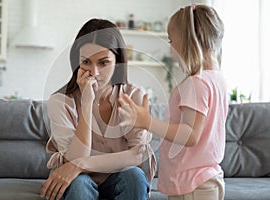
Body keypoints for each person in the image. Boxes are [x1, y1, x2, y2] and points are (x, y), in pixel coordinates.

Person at [118, 5, 227, 200]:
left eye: (171, 40)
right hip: (203, 181)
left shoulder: (197, 83)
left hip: (192, 184)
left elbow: (190, 134)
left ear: (188, 41)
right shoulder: (216, 79)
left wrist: (147, 122)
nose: (170, 47)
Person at [40, 18, 156, 200]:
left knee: (134, 176)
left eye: (103, 63)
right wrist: (86, 102)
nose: (94, 72)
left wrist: (80, 164)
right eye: (86, 62)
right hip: (79, 181)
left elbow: (137, 154)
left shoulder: (133, 96)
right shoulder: (60, 102)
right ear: (76, 61)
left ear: (118, 61)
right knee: (79, 185)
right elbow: (73, 158)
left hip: (118, 178)